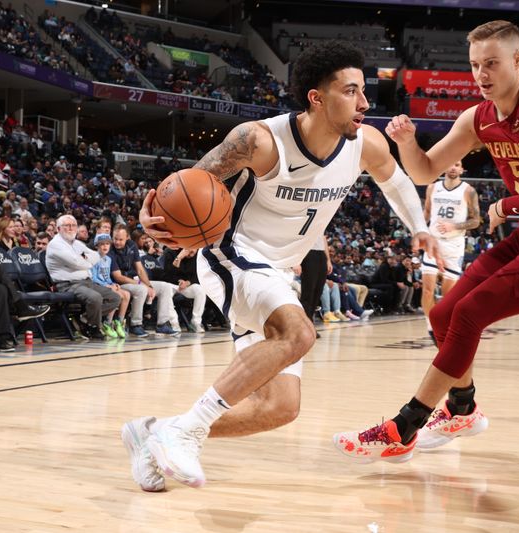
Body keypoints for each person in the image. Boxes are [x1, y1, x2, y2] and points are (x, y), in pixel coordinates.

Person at [121, 41, 442, 491]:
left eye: (364, 91)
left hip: (277, 272)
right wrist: (147, 215)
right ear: (317, 97)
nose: (365, 103)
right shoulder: (259, 141)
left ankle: (155, 432)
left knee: (280, 408)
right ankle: (184, 432)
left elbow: (396, 182)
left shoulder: (366, 143)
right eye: (351, 91)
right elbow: (186, 185)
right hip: (233, 254)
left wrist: (420, 227)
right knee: (300, 334)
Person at [332, 20, 519, 462]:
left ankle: (404, 426)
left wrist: (505, 207)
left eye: (492, 64)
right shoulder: (476, 117)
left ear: (518, 60)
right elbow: (423, 171)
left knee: (471, 311)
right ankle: (462, 409)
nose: (482, 74)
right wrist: (406, 142)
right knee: (443, 315)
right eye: (476, 65)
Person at [420, 160, 480, 344]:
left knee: (449, 296)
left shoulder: (468, 191)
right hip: (434, 243)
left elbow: (476, 221)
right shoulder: (432, 188)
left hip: (454, 246)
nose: (453, 167)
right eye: (451, 163)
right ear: (445, 167)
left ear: (462, 169)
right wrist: (419, 232)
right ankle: (431, 327)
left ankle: (445, 325)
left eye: (458, 164)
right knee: (428, 289)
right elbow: (427, 213)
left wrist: (454, 225)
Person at [45, 215, 121, 340]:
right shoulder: (55, 244)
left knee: (114, 298)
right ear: (58, 229)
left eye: (73, 225)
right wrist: (85, 262)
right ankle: (93, 327)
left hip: (86, 282)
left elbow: (96, 256)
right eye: (67, 226)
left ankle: (84, 319)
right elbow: (76, 262)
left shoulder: (76, 243)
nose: (70, 228)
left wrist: (85, 261)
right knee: (95, 297)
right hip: (68, 284)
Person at [108, 225, 178, 337]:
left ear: (127, 238)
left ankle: (162, 324)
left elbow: (140, 270)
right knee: (140, 289)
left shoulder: (132, 245)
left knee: (164, 287)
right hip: (119, 284)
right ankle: (136, 324)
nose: (117, 242)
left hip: (132, 280)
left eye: (120, 239)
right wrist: (142, 285)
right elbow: (118, 277)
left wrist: (149, 285)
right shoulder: (110, 249)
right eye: (115, 238)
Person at [90, 233, 129, 338]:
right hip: (96, 285)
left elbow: (107, 277)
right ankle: (107, 323)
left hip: (107, 284)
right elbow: (93, 278)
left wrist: (113, 283)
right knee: (117, 295)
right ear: (96, 246)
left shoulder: (109, 259)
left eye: (107, 244)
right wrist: (107, 286)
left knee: (126, 294)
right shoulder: (93, 258)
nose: (105, 246)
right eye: (102, 244)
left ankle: (119, 322)